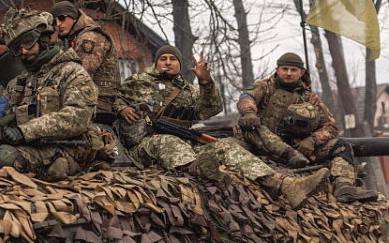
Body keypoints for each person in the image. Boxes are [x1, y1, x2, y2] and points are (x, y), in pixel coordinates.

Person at [115, 45, 327, 209]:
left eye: (173, 59)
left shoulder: (188, 91)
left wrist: (206, 83)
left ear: (180, 64)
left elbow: (210, 109)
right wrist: (122, 108)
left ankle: (283, 184)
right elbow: (111, 99)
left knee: (227, 145)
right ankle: (199, 169)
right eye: (163, 59)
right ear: (156, 62)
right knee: (166, 140)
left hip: (185, 144)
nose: (168, 63)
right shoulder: (138, 81)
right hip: (145, 146)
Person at [237, 52, 376, 203]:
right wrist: (249, 112)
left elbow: (330, 126)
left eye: (293, 70)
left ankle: (344, 187)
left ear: (301, 72)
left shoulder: (310, 98)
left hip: (298, 149)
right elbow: (247, 97)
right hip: (263, 144)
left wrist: (312, 140)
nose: (289, 73)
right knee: (252, 126)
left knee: (341, 145)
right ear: (277, 70)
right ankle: (287, 154)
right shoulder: (264, 87)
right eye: (285, 69)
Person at [0, 8, 102, 181]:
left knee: (4, 159)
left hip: (68, 151)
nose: (23, 51)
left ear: (43, 38)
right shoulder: (16, 84)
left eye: (28, 42)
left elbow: (78, 117)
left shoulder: (72, 72)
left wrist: (25, 131)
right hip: (30, 148)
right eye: (16, 48)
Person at [50, 1, 120, 124]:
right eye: (54, 22)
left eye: (62, 18)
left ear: (73, 16)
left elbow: (82, 75)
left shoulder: (89, 37)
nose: (58, 24)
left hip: (99, 107)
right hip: (88, 103)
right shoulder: (75, 37)